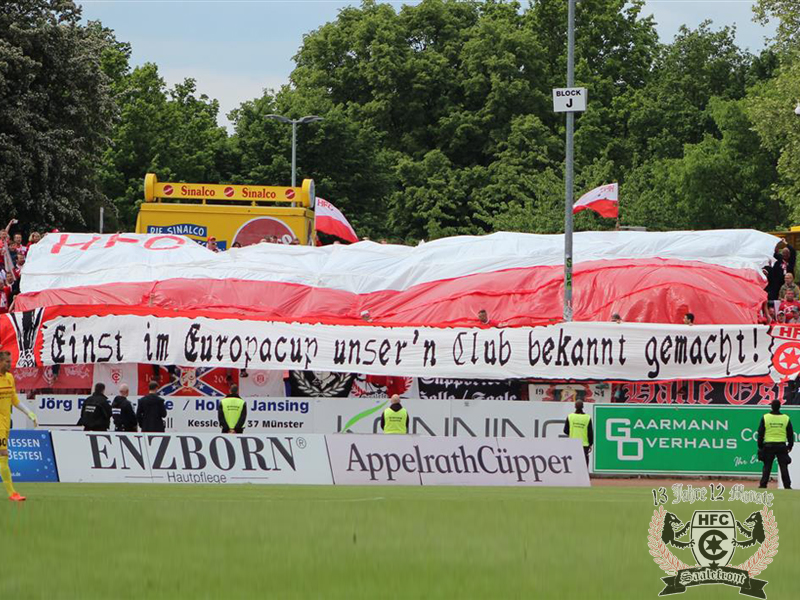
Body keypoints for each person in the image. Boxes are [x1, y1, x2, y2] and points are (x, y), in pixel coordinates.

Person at [0, 350, 38, 502]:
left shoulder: (9, 378)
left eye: (10, 361)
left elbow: (14, 399)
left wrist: (29, 413)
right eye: (7, 361)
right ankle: (12, 493)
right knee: (3, 455)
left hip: (5, 422)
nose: (10, 364)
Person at [758, 400, 793, 489]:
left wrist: (760, 446)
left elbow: (760, 433)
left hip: (769, 445)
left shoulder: (766, 417)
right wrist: (790, 445)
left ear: (771, 407)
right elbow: (790, 434)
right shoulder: (785, 418)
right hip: (781, 445)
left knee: (767, 466)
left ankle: (763, 484)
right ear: (780, 407)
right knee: (783, 467)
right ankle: (787, 486)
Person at [564, 400, 593, 466]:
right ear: (583, 407)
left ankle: (574, 475)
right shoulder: (587, 417)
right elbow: (590, 432)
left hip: (573, 442)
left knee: (574, 460)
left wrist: (572, 433)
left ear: (575, 407)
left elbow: (565, 430)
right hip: (584, 443)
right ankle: (584, 474)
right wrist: (590, 443)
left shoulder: (570, 416)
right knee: (584, 460)